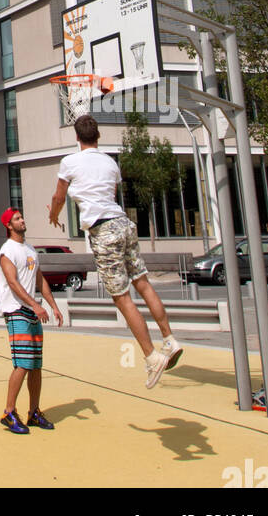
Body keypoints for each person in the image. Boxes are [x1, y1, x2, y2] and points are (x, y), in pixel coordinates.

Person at [48, 113, 182, 389]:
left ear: (76, 137)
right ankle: (169, 338)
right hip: (123, 223)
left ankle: (151, 356)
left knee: (122, 298)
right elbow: (109, 191)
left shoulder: (70, 162)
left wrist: (54, 214)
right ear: (98, 136)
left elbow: (59, 196)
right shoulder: (110, 163)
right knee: (142, 282)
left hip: (103, 230)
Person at [0, 207, 62, 434]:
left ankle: (34, 412)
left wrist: (52, 305)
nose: (22, 220)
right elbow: (13, 283)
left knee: (35, 365)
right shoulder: (7, 251)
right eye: (16, 218)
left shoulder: (30, 250)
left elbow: (39, 279)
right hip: (16, 311)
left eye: (22, 217)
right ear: (8, 225)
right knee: (23, 363)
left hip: (32, 311)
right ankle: (9, 412)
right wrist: (34, 305)